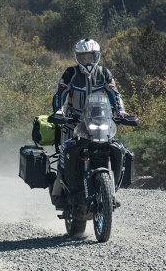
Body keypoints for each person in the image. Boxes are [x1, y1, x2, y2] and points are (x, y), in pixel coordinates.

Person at [50, 38, 129, 211]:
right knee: (65, 152)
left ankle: (110, 192)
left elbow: (114, 94)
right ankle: (60, 193)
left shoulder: (104, 73)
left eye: (91, 56)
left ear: (97, 56)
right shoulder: (70, 73)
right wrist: (58, 112)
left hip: (98, 121)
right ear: (78, 57)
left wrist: (121, 112)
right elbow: (60, 95)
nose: (88, 61)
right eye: (84, 57)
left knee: (117, 148)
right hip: (74, 122)